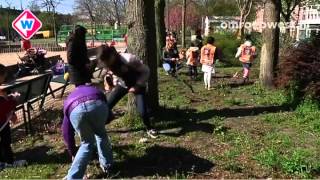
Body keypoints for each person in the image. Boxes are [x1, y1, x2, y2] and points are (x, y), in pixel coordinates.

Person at [97, 45, 158, 139]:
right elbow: (115, 74)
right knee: (107, 105)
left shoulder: (129, 59)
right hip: (123, 85)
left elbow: (146, 71)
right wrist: (113, 83)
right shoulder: (107, 63)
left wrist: (137, 85)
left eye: (107, 61)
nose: (106, 64)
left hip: (138, 84)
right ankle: (98, 128)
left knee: (142, 111)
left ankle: (149, 128)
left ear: (112, 55)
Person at [62, 85, 112, 179]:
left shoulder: (68, 98)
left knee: (86, 143)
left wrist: (73, 152)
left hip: (75, 109)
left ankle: (73, 177)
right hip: (98, 104)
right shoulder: (95, 89)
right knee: (101, 135)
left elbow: (66, 132)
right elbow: (108, 111)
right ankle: (107, 165)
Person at [0, 64, 27, 171]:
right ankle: (9, 162)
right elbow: (2, 108)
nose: (4, 80)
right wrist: (13, 100)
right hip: (2, 124)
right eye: (3, 77)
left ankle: (3, 162)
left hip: (3, 121)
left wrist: (9, 99)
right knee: (5, 142)